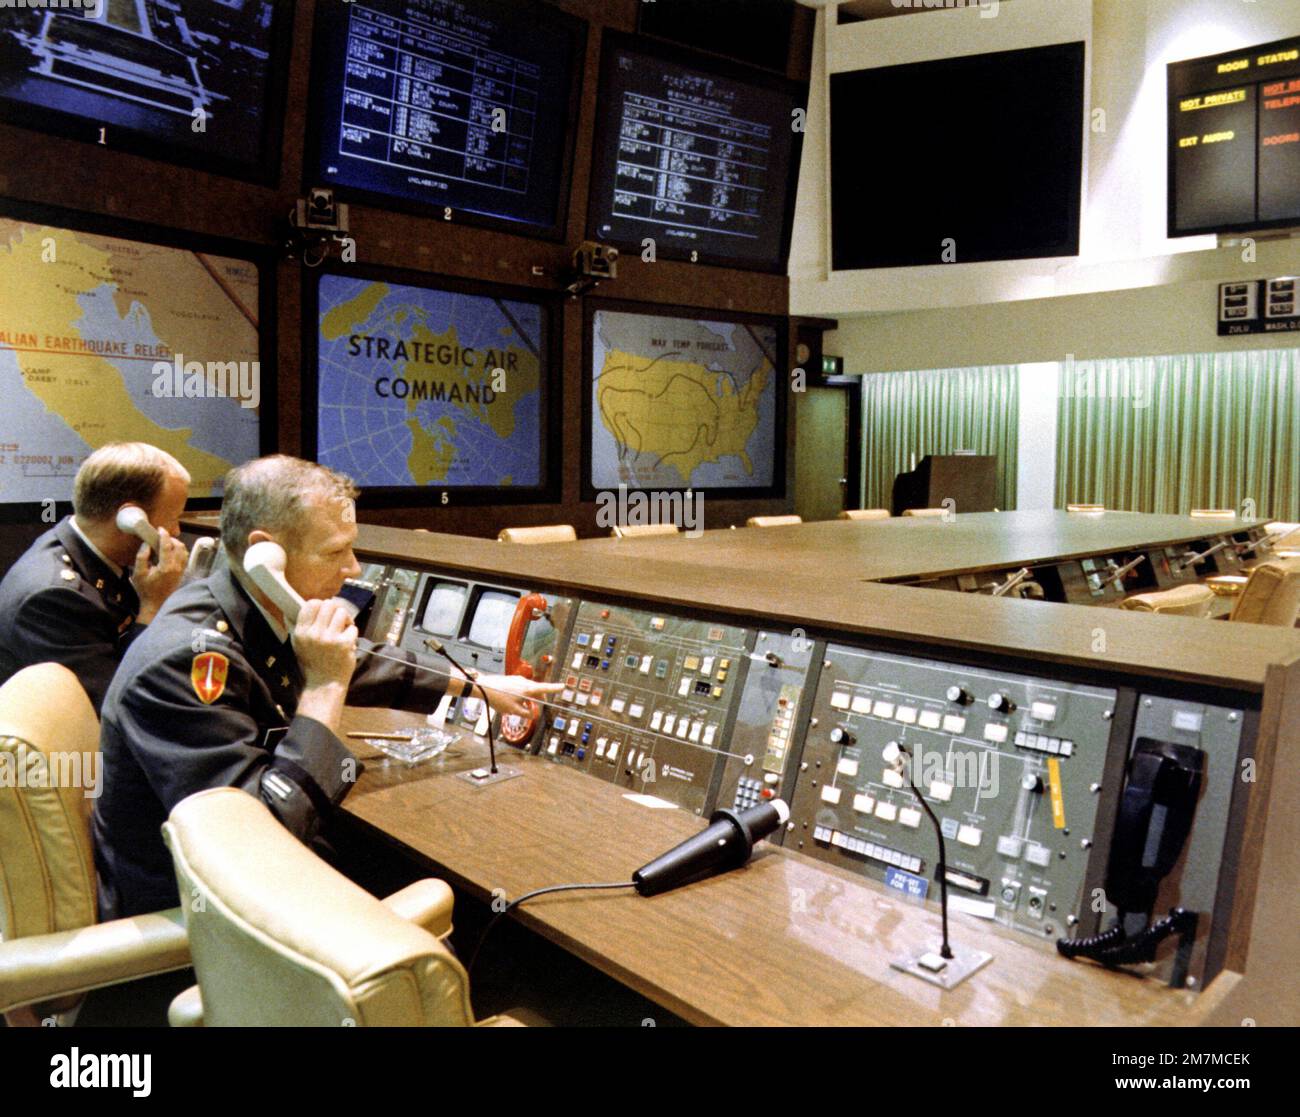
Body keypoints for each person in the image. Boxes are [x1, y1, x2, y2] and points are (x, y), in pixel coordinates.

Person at [93, 455, 561, 920]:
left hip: (254, 883)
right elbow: (260, 844)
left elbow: (354, 661)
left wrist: (472, 684)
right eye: (336, 552)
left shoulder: (240, 607)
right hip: (209, 918)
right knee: (479, 917)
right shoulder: (186, 662)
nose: (354, 568)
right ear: (265, 556)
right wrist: (323, 687)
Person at [0, 442, 190, 712]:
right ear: (131, 519)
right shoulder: (54, 597)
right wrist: (152, 607)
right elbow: (123, 705)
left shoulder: (86, 551)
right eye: (172, 518)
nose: (176, 531)